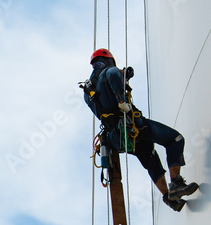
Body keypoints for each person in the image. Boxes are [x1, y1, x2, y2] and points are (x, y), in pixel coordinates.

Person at [81, 48, 198, 211]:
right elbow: (113, 76)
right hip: (133, 125)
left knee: (151, 159)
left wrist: (125, 78)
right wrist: (122, 100)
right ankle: (176, 184)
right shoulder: (111, 71)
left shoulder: (88, 90)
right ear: (109, 60)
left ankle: (168, 198)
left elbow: (104, 99)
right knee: (174, 139)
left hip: (117, 138)